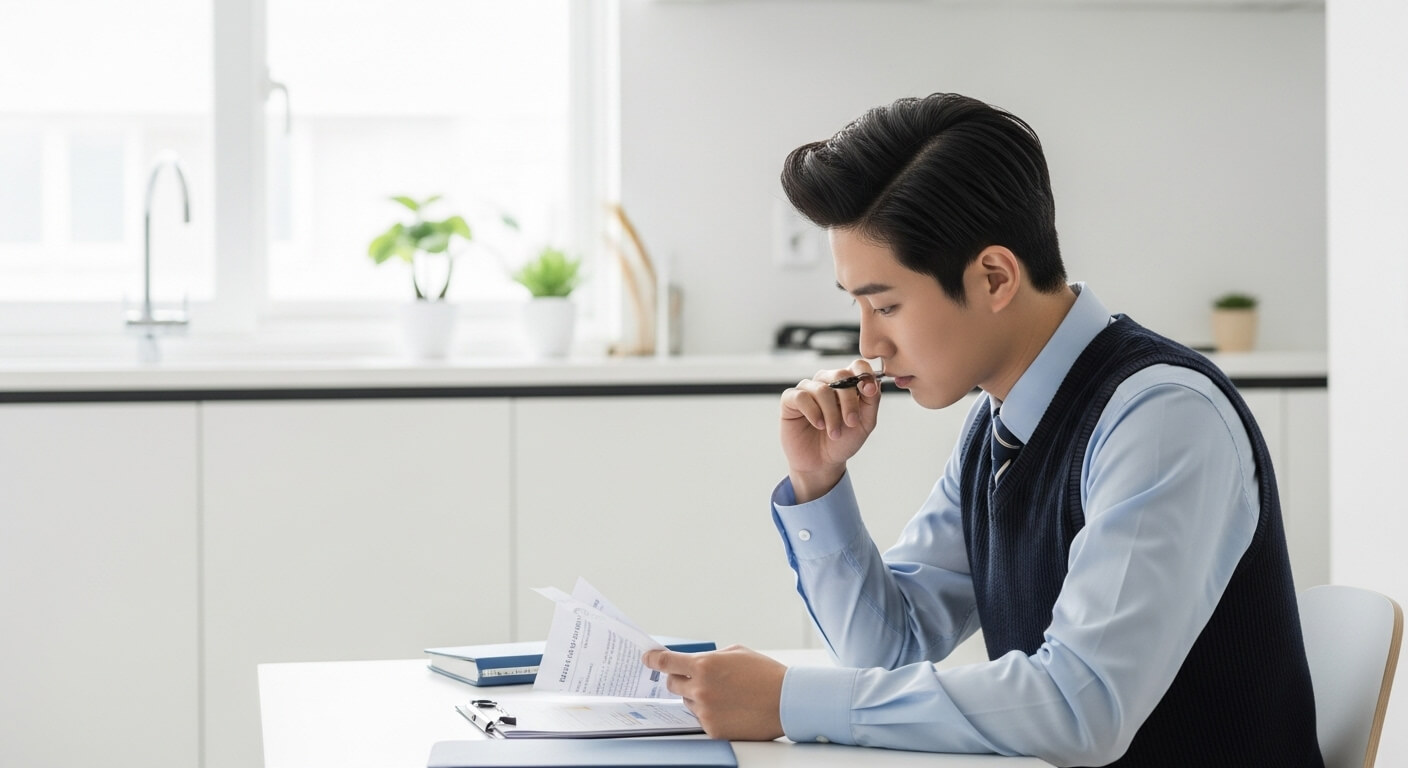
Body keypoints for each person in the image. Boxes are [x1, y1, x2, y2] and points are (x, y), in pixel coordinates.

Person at [642, 93, 1323, 767]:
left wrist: (790, 700)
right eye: (859, 307)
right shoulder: (997, 423)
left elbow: (1081, 707)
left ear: (995, 277)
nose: (869, 346)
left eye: (887, 306)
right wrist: (818, 480)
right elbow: (888, 648)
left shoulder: (1162, 417)